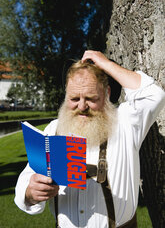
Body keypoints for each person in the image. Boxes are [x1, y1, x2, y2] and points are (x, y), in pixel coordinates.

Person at [14, 50, 165, 227]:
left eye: (91, 98)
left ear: (107, 93)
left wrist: (106, 64)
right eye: (74, 98)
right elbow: (27, 179)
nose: (82, 106)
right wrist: (31, 192)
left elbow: (154, 94)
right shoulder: (54, 129)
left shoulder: (125, 123)